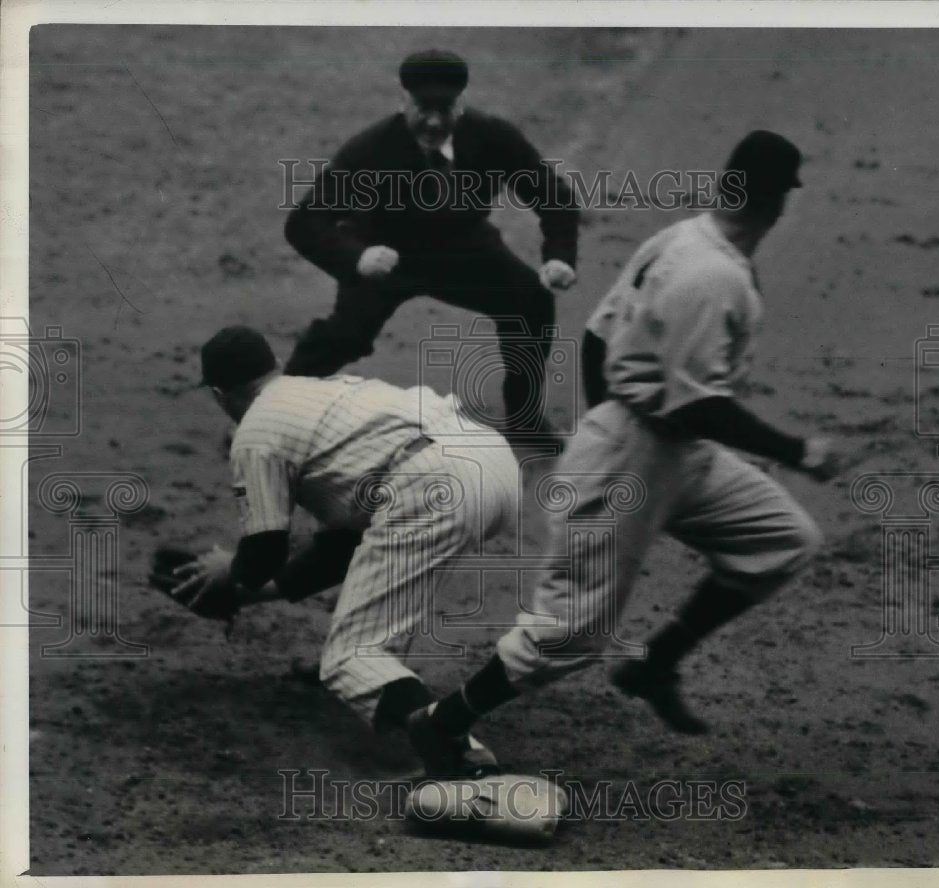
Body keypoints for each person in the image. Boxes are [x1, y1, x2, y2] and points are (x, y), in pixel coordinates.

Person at [405, 131, 845, 775]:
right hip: (637, 449)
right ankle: (443, 724)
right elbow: (695, 404)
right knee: (570, 634)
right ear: (778, 203)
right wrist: (798, 450)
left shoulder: (684, 237)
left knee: (782, 539)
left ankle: (656, 664)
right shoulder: (714, 272)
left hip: (667, 448)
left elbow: (596, 335)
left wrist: (603, 425)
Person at [172, 325, 518, 775]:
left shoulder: (255, 434)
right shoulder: (327, 391)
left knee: (350, 657)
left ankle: (462, 755)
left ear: (219, 395)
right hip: (493, 462)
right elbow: (342, 548)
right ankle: (393, 689)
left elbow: (263, 552)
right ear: (274, 366)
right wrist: (249, 594)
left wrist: (231, 573)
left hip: (431, 482)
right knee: (377, 598)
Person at [283, 49, 580, 448]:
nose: (435, 121)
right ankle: (273, 413)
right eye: (424, 108)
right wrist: (355, 258)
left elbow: (554, 197)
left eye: (446, 108)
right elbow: (304, 222)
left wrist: (558, 256)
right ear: (402, 100)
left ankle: (524, 419)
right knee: (346, 336)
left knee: (531, 301)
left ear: (462, 103)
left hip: (465, 249)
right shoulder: (370, 150)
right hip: (386, 256)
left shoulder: (492, 136)